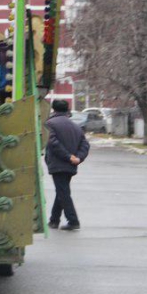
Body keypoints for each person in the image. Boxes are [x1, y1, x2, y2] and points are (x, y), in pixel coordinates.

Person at [45, 99, 90, 231]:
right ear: (67, 109)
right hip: (71, 165)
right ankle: (54, 220)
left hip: (58, 164)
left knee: (63, 192)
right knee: (62, 191)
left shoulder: (49, 124)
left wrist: (68, 156)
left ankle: (73, 220)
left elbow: (53, 143)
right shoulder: (75, 126)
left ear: (53, 109)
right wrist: (78, 158)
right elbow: (85, 144)